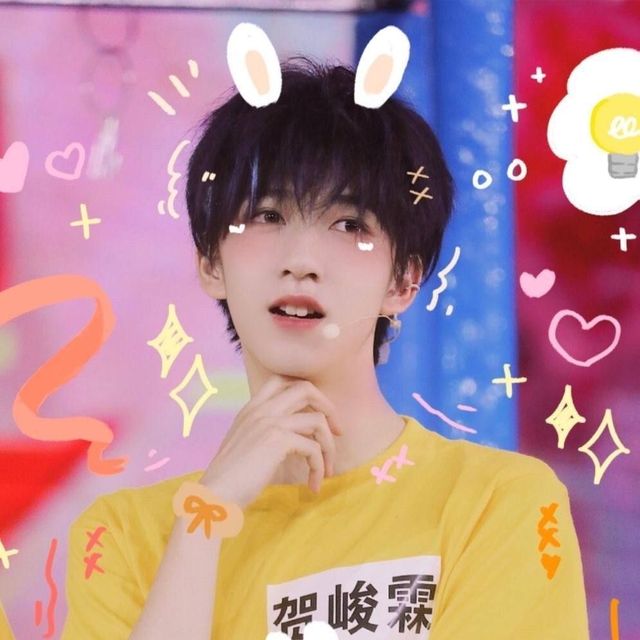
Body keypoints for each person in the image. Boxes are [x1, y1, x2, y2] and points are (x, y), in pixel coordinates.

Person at [60, 26, 589, 640]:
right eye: (267, 215)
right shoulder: (124, 536)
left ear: (405, 279)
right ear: (210, 262)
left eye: (348, 224)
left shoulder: (497, 504)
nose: (302, 260)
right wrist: (205, 522)